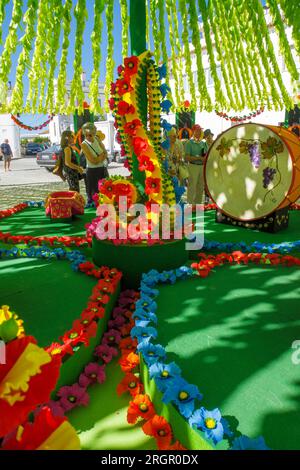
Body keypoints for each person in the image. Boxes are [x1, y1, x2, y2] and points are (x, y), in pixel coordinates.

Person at [81, 122, 108, 203]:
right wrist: (101, 156)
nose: (88, 137)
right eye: (86, 135)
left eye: (90, 135)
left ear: (94, 133)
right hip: (92, 171)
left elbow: (105, 153)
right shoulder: (84, 144)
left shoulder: (97, 139)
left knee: (105, 191)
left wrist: (99, 157)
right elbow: (93, 160)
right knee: (94, 194)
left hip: (102, 169)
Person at [185, 124, 207, 204]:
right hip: (192, 166)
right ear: (193, 131)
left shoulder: (203, 143)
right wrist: (198, 158)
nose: (199, 132)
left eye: (200, 130)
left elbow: (206, 155)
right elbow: (186, 157)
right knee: (192, 186)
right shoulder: (189, 143)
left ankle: (198, 206)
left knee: (201, 187)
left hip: (202, 167)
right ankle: (190, 205)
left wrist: (204, 158)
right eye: (197, 130)